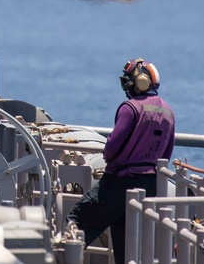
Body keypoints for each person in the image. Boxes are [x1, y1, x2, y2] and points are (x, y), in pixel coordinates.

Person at [69, 59, 175, 264]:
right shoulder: (168, 111)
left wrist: (111, 159)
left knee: (75, 225)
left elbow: (112, 147)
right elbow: (167, 153)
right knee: (127, 246)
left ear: (141, 81)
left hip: (120, 182)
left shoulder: (130, 108)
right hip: (150, 185)